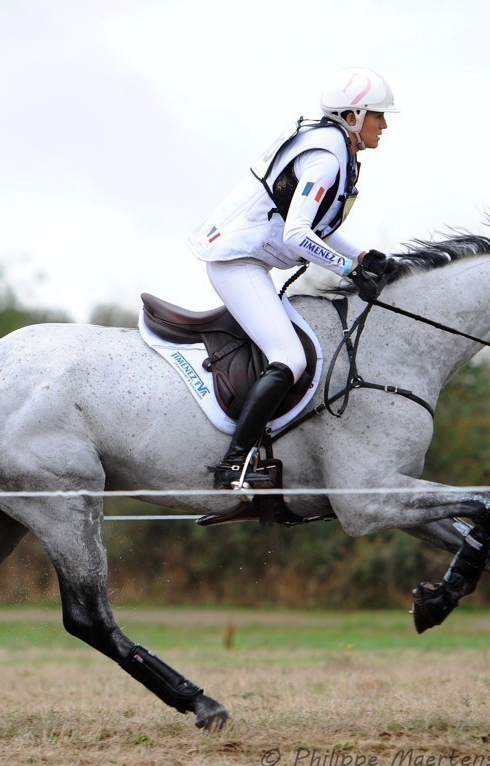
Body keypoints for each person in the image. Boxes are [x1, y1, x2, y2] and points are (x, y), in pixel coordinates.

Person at [188, 67, 397, 489]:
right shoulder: (325, 158)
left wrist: (362, 255)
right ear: (354, 116)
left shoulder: (337, 146)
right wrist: (349, 270)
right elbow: (297, 234)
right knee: (291, 357)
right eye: (379, 115)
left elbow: (318, 224)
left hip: (250, 258)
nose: (385, 125)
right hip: (235, 261)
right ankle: (231, 465)